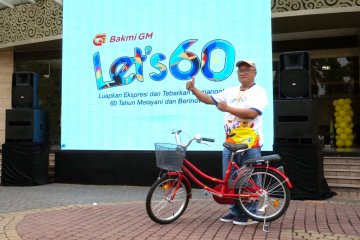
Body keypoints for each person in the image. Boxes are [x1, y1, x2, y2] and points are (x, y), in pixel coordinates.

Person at [185, 60, 268, 225]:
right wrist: (194, 89)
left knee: (248, 180)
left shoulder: (259, 92)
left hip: (249, 144)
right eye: (240, 70)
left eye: (246, 69)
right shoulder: (231, 91)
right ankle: (235, 211)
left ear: (254, 73)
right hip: (230, 143)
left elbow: (252, 113)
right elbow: (209, 99)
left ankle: (250, 213)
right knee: (229, 179)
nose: (242, 72)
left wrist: (228, 108)